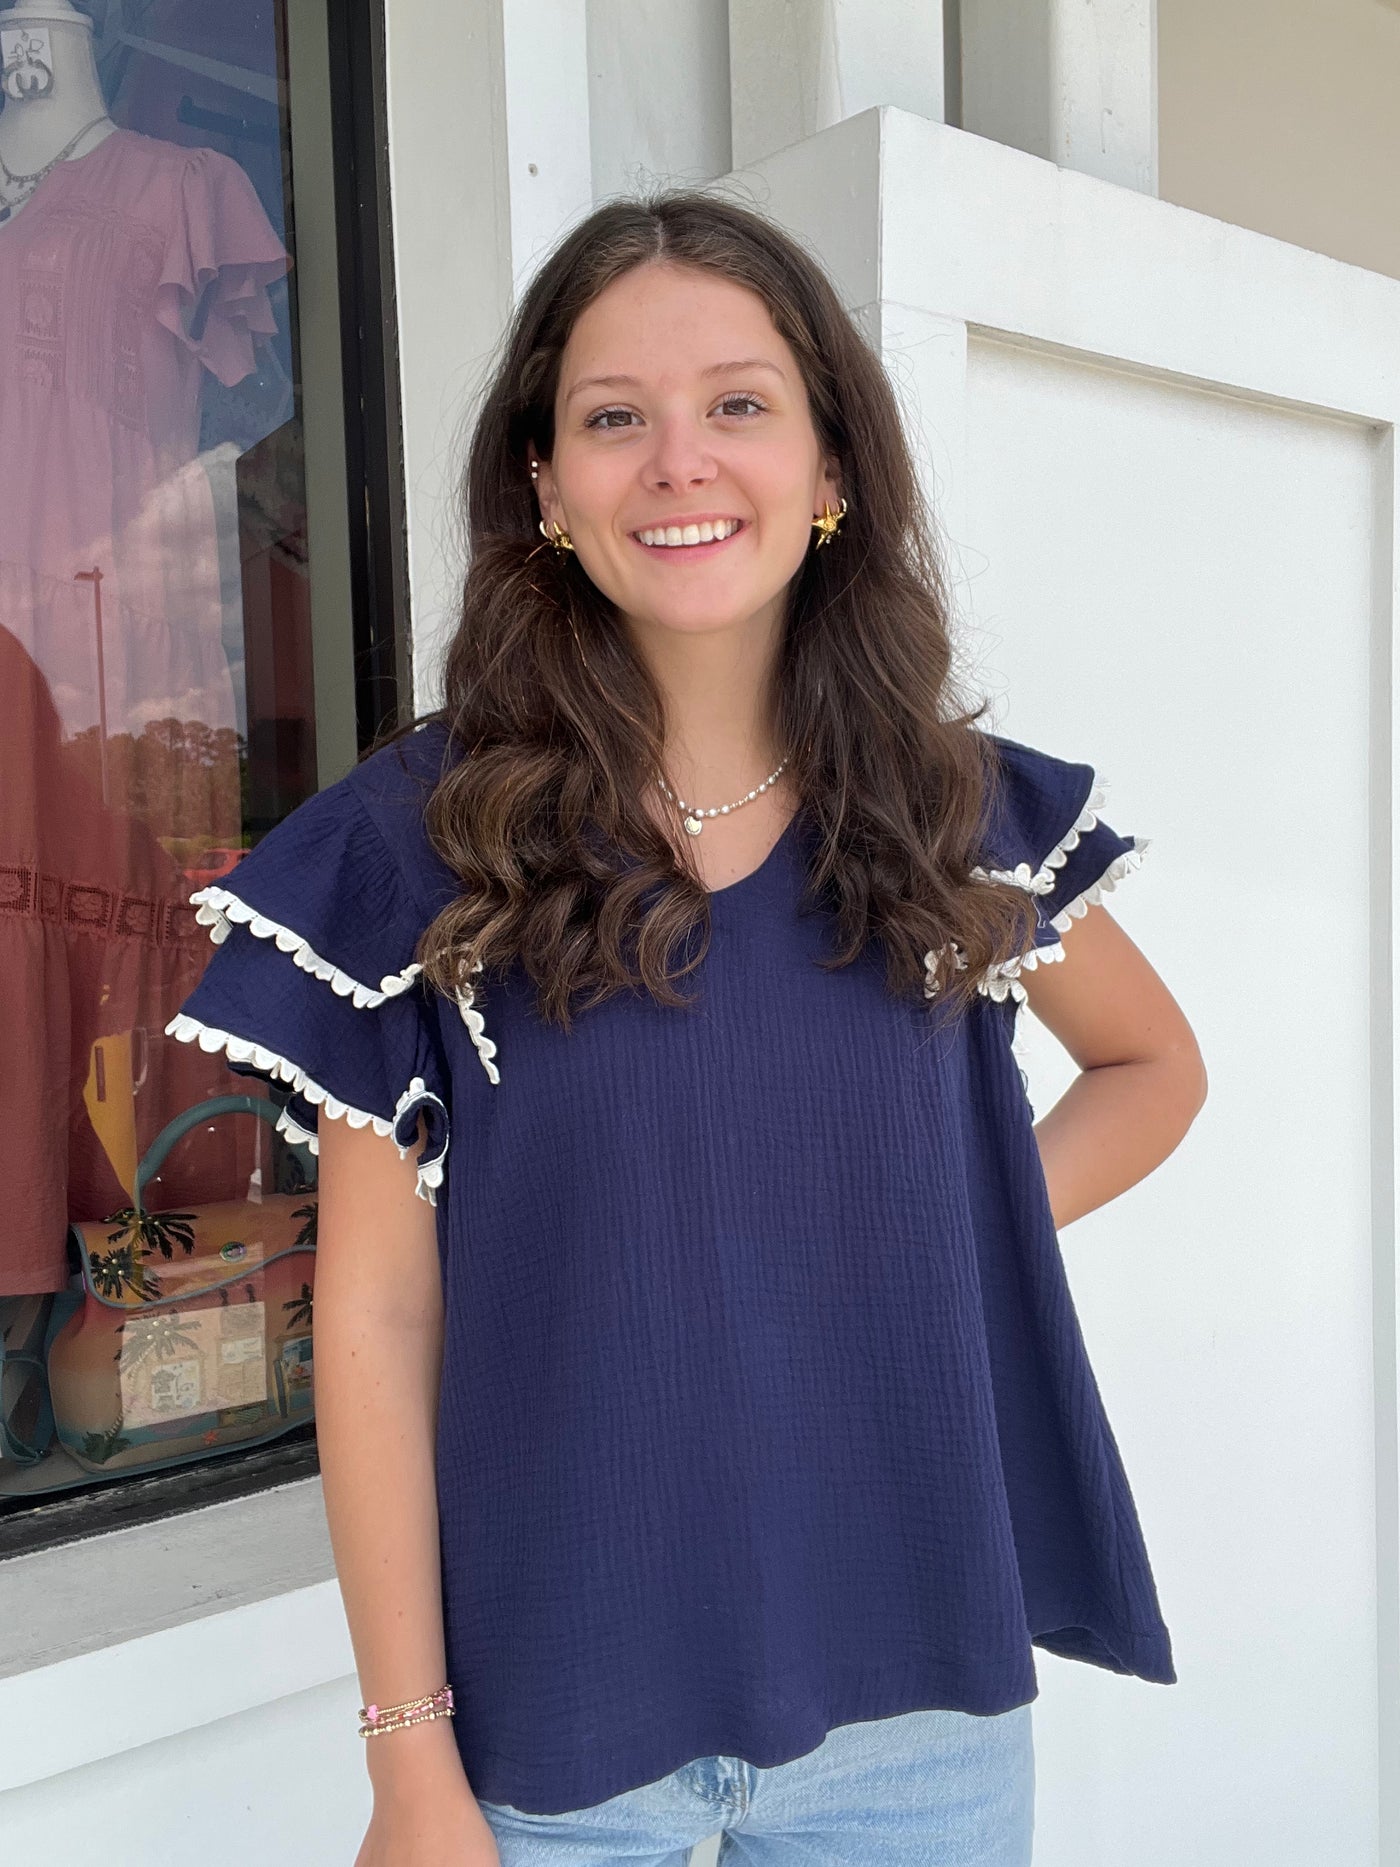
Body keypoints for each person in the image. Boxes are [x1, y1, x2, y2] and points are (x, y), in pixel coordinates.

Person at [168, 189, 1208, 1865]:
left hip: (919, 1716)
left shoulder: (951, 818)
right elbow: (376, 1318)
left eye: (738, 403)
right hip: (554, 1731)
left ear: (830, 463)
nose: (679, 462)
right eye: (612, 419)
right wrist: (407, 1761)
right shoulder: (415, 852)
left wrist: (953, 1215)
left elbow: (1154, 1069)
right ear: (543, 485)